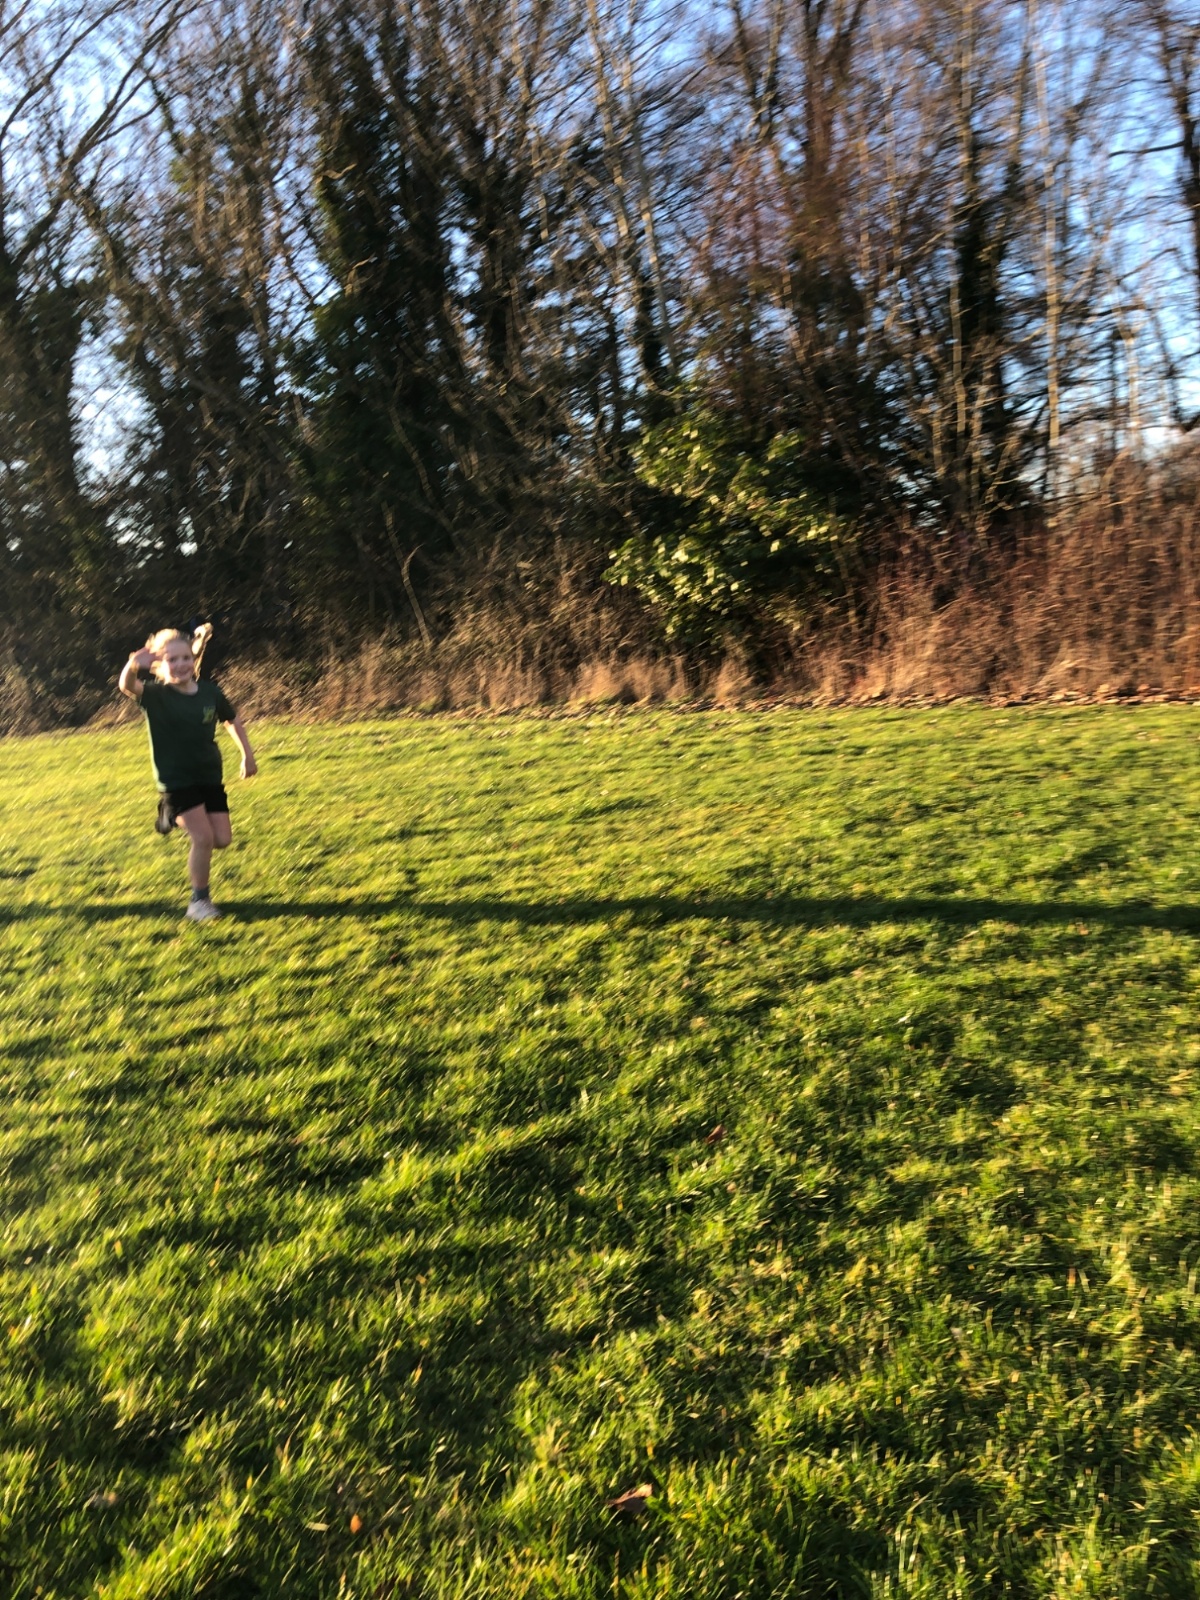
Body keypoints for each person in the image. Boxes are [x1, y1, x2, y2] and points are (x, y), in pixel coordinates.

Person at [118, 626, 258, 921]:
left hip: (208, 776)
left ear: (193, 660)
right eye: (172, 660)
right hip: (176, 781)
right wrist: (133, 665)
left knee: (222, 839)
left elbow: (231, 720)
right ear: (160, 665)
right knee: (203, 838)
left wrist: (247, 754)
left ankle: (169, 817)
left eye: (185, 658)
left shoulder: (210, 692)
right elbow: (127, 686)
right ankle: (199, 903)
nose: (181, 664)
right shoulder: (156, 695)